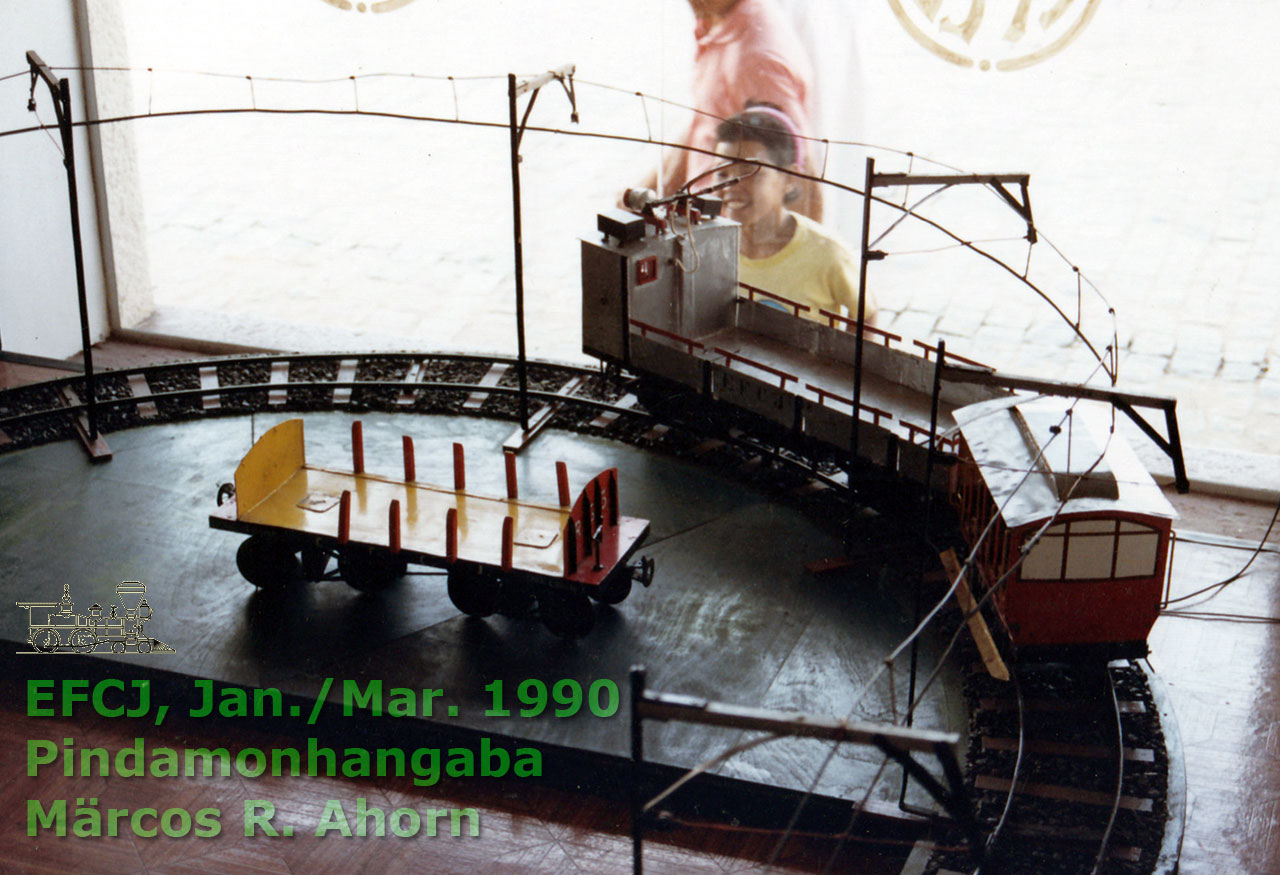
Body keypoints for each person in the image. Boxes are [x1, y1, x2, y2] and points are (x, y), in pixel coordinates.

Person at [644, 0, 822, 220]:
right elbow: (706, 123)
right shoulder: (714, 22)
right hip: (694, 224)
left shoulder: (756, 59)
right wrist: (652, 191)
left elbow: (801, 182)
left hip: (729, 239)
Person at [713, 106, 874, 326]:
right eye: (721, 172)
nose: (730, 185)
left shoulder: (828, 253)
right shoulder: (704, 246)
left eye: (749, 172)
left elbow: (866, 313)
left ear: (790, 179)